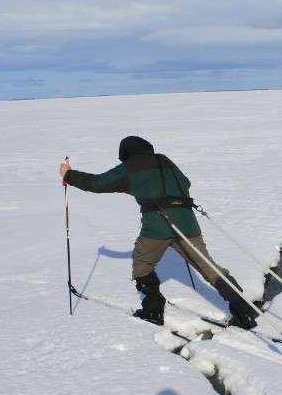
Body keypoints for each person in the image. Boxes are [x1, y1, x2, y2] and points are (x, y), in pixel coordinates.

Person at [59, 136, 259, 329]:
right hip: (188, 224)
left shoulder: (132, 166)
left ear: (126, 154)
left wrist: (69, 174)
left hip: (158, 225)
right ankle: (244, 312)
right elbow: (186, 182)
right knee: (209, 268)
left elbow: (98, 183)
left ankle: (153, 311)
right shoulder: (165, 161)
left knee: (142, 263)